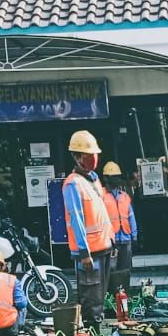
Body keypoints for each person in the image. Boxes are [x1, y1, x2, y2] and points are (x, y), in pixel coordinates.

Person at [62, 130, 113, 325]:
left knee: (100, 297)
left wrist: (111, 241)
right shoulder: (72, 184)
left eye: (95, 155)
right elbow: (77, 219)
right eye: (88, 155)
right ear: (76, 157)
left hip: (104, 247)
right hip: (90, 253)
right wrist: (84, 253)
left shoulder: (93, 180)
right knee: (91, 300)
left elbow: (102, 214)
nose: (93, 159)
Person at [100, 161, 137, 295]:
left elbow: (131, 216)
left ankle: (124, 295)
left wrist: (134, 235)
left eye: (116, 176)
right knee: (110, 270)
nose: (114, 179)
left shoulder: (125, 196)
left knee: (125, 269)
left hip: (125, 238)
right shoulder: (101, 196)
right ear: (105, 178)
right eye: (111, 177)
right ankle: (111, 296)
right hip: (111, 241)